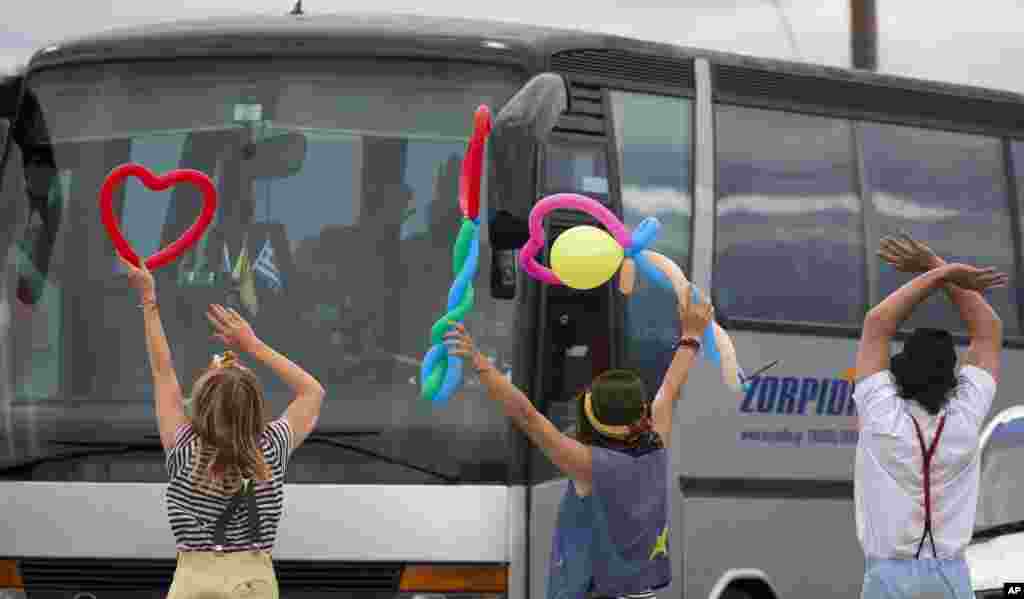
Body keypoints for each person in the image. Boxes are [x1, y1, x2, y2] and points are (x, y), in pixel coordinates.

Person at [445, 286, 714, 599]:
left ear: (593, 417)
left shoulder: (588, 465)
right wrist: (691, 336)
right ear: (640, 411)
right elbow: (668, 390)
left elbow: (528, 416)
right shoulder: (656, 447)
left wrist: (479, 361)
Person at [120, 255, 325, 599]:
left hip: (193, 584)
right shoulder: (272, 448)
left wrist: (148, 299)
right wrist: (251, 345)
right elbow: (313, 392)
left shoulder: (184, 448)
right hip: (254, 584)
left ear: (198, 405)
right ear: (256, 407)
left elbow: (163, 372)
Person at [854, 232, 1006, 598]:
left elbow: (877, 324)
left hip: (888, 579)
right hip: (950, 579)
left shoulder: (880, 413)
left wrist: (939, 274)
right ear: (953, 374)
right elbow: (987, 332)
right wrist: (939, 266)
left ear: (900, 369)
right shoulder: (965, 417)